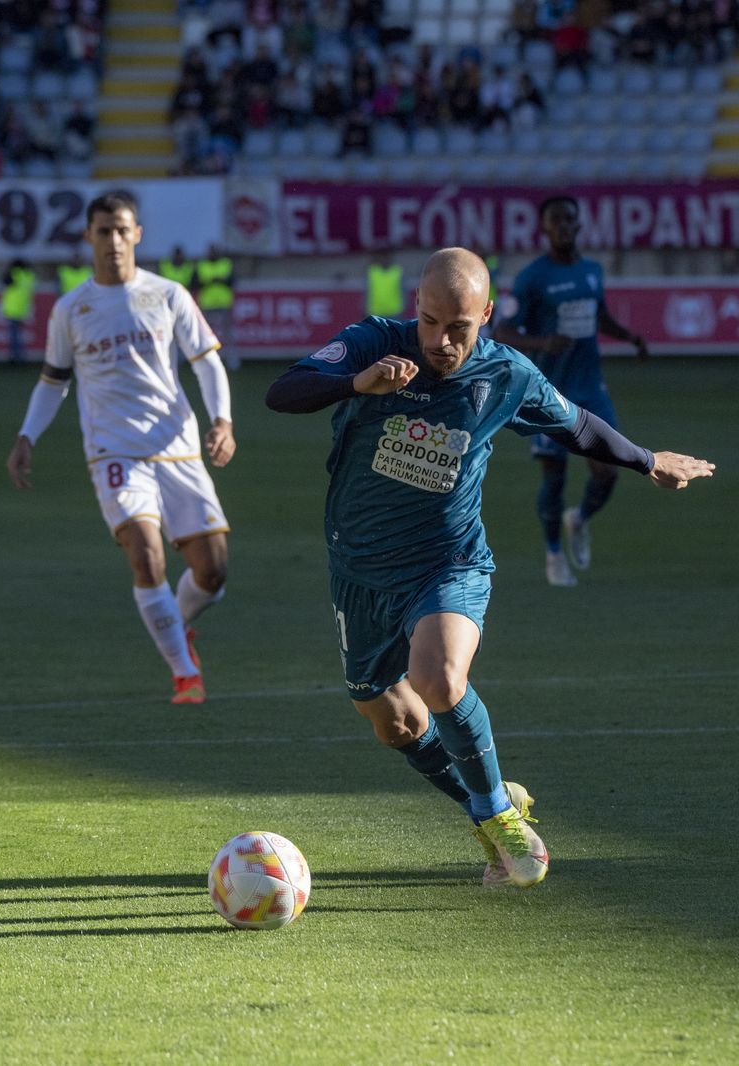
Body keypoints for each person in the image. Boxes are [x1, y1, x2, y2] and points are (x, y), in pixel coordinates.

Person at [265, 248, 714, 887]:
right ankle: (492, 803)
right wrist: (355, 384)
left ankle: (496, 818)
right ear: (413, 307)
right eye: (428, 322)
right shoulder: (371, 343)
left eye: (459, 327)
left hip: (447, 561)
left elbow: (576, 424)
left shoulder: (507, 374)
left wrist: (646, 460)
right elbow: (283, 393)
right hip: (359, 568)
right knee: (393, 723)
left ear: (488, 316)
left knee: (439, 679)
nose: (441, 341)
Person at [6, 191, 236, 705]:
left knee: (213, 571)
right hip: (114, 452)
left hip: (176, 447)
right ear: (89, 237)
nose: (113, 240)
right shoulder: (71, 309)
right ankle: (184, 674)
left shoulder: (169, 294)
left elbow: (206, 361)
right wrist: (27, 435)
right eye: (103, 230)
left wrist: (222, 420)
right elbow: (53, 381)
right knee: (146, 554)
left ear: (138, 235)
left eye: (121, 229)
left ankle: (177, 629)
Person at [493, 196, 650, 587]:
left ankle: (578, 519)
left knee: (608, 470)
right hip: (547, 390)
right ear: (544, 229)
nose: (563, 226)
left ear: (579, 225)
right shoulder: (533, 277)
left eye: (569, 219)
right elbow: (503, 331)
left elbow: (600, 317)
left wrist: (629, 336)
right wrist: (544, 343)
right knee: (554, 476)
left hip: (591, 388)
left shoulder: (592, 271)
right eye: (555, 221)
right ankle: (553, 555)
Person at [0, 258, 38, 364]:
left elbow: (4, 281)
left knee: (14, 334)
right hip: (24, 308)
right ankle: (21, 354)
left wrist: (7, 270)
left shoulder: (14, 273)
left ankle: (16, 356)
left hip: (12, 308)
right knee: (20, 334)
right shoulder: (29, 275)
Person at [365, 250, 404, 318]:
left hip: (394, 311)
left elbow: (404, 290)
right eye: (382, 258)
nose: (384, 260)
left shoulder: (397, 271)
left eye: (386, 258)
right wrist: (365, 308)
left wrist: (403, 308)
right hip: (375, 311)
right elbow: (367, 291)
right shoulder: (372, 271)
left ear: (391, 259)